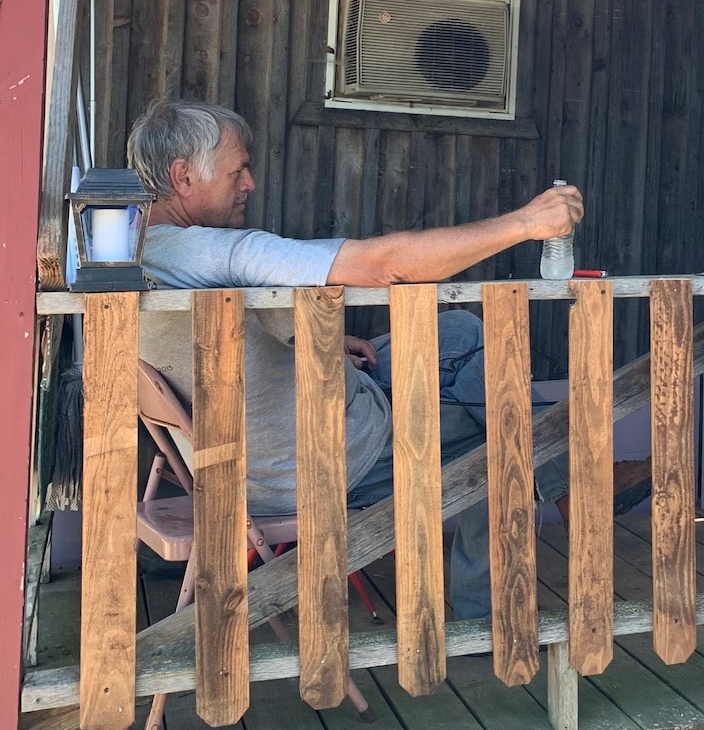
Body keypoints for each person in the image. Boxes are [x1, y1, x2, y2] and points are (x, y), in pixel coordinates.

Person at [127, 98, 600, 619]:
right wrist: (526, 222)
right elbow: (386, 266)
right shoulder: (217, 252)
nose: (250, 184)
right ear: (183, 176)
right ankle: (556, 511)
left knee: (459, 333)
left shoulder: (138, 250)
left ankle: (555, 486)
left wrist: (324, 345)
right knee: (505, 426)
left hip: (239, 460)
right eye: (238, 170)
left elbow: (250, 334)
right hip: (324, 457)